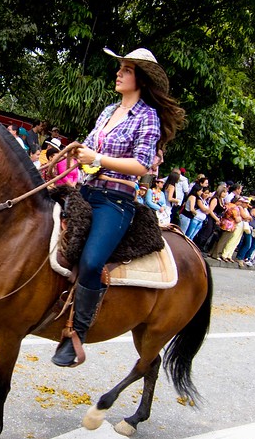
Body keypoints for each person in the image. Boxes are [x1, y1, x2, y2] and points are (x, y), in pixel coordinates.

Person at [52, 46, 185, 367]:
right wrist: (80, 157)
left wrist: (96, 159)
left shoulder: (148, 117)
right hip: (86, 190)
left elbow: (141, 164)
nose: (119, 73)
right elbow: (91, 147)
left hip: (116, 202)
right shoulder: (109, 110)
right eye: (120, 68)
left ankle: (76, 335)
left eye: (125, 70)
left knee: (93, 259)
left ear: (139, 78)